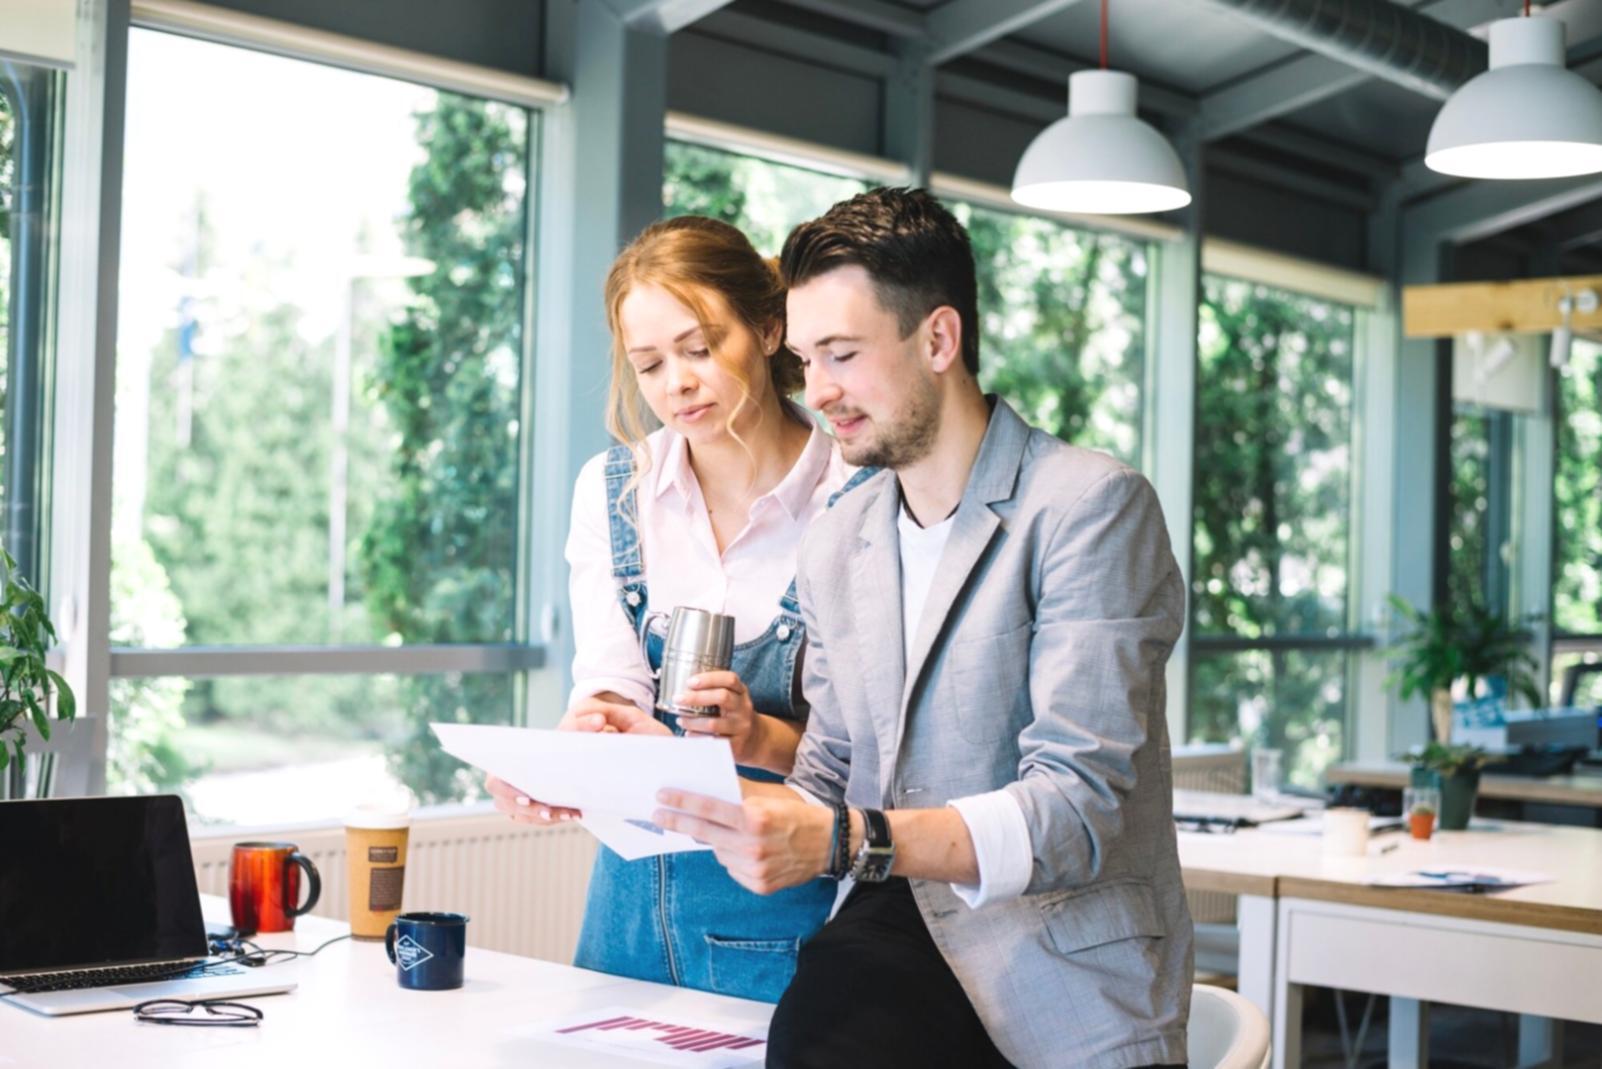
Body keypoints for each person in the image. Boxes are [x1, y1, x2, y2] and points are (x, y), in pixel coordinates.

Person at [652, 188, 1192, 1068]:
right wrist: (713, 796)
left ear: (939, 339)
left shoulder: (1089, 506)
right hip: (888, 945)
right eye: (806, 359)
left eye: (842, 354)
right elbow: (833, 770)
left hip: (1054, 968)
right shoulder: (840, 539)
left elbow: (1077, 809)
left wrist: (848, 839)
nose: (817, 391)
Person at [486, 215, 853, 1003]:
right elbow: (611, 684)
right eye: (649, 364)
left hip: (783, 918)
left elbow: (875, 761)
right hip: (624, 917)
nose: (675, 383)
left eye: (699, 348)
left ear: (769, 328)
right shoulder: (614, 488)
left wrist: (755, 733)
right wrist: (568, 753)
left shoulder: (855, 498)